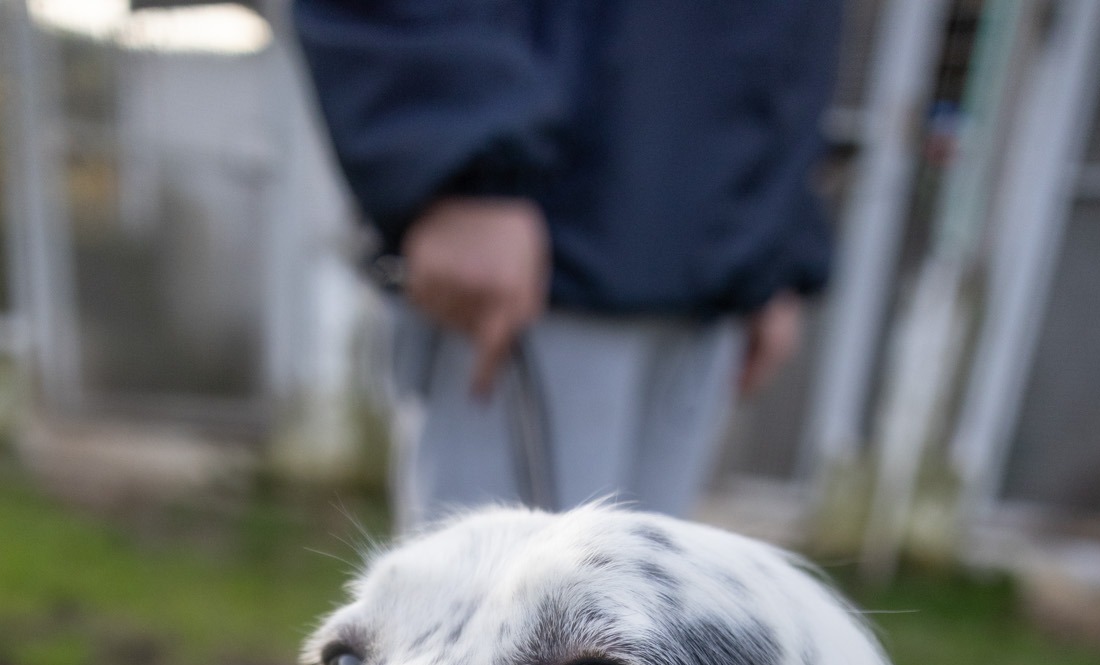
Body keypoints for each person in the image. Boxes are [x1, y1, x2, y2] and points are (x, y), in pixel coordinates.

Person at [294, 0, 843, 526]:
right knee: (499, 584)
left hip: (716, 264)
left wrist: (776, 235)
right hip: (538, 248)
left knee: (646, 586)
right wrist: (460, 154)